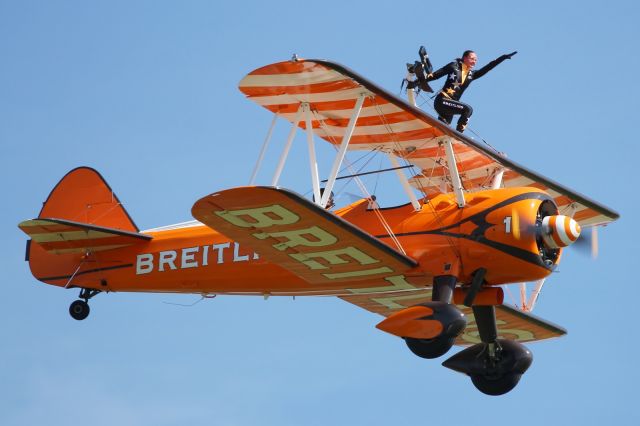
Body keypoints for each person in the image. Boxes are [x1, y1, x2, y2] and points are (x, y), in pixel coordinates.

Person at [425, 50, 517, 133]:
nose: (474, 61)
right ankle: (459, 135)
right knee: (468, 109)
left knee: (442, 133)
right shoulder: (453, 66)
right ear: (465, 58)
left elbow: (488, 67)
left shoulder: (472, 75)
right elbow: (435, 75)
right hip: (442, 101)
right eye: (472, 59)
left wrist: (502, 58)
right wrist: (419, 80)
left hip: (450, 108)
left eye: (476, 60)